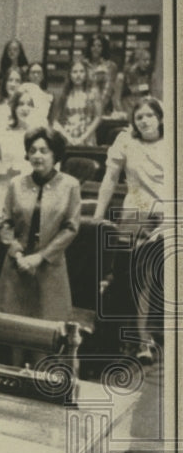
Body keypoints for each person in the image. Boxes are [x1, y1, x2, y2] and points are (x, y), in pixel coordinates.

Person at [93, 97, 167, 363]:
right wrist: (98, 214)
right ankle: (136, 340)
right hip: (134, 215)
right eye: (139, 117)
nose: (144, 120)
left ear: (160, 118)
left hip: (166, 216)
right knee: (130, 280)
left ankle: (150, 337)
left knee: (154, 280)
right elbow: (110, 178)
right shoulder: (126, 141)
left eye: (149, 115)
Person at [0, 128, 81, 322]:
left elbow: (71, 228)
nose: (37, 156)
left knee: (45, 333)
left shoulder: (70, 185)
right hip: (17, 265)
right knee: (13, 329)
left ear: (55, 154)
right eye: (32, 151)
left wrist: (40, 257)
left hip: (49, 267)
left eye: (44, 150)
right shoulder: (16, 184)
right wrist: (18, 254)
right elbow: (5, 222)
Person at [0, 85, 38, 213]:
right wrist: (3, 173)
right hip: (4, 193)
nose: (25, 108)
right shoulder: (1, 133)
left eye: (29, 104)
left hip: (30, 194)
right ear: (14, 108)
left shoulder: (38, 136)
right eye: (21, 104)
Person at [50, 59, 100, 147]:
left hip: (87, 138)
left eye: (81, 71)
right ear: (69, 74)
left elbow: (98, 117)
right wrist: (68, 137)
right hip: (68, 138)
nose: (78, 75)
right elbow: (55, 121)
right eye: (75, 72)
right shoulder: (63, 94)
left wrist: (83, 138)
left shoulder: (93, 92)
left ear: (86, 74)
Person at [114, 47, 158, 116]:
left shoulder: (147, 77)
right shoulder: (122, 76)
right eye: (145, 60)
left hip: (141, 112)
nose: (148, 63)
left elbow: (153, 97)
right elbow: (116, 99)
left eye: (149, 60)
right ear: (136, 61)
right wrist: (121, 113)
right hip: (126, 110)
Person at [84, 32, 119, 115]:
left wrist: (97, 109)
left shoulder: (110, 66)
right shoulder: (83, 64)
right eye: (93, 45)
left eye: (99, 46)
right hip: (83, 107)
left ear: (104, 48)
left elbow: (108, 91)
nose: (95, 48)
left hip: (103, 109)